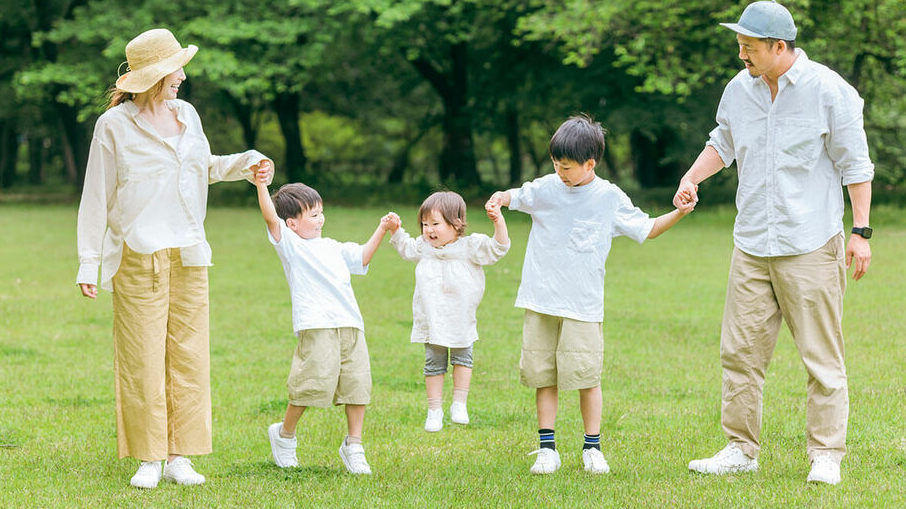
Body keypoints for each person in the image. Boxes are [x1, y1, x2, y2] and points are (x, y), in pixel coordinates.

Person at [675, 1, 874, 486]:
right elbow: (722, 141)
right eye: (739, 45)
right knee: (740, 353)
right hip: (751, 244)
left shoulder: (829, 91)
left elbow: (856, 165)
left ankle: (825, 454)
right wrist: (693, 176)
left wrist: (861, 232)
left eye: (748, 47)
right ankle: (740, 450)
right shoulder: (738, 90)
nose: (741, 54)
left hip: (810, 244)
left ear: (779, 47)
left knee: (822, 358)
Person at [76, 28, 273, 489]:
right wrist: (89, 262)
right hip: (137, 255)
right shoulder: (114, 127)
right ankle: (148, 456)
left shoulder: (187, 115)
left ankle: (179, 456)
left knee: (188, 357)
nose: (182, 76)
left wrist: (246, 162)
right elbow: (96, 196)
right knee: (143, 358)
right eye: (175, 69)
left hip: (188, 252)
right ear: (155, 76)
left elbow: (201, 168)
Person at [487, 114, 692, 475]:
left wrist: (679, 212)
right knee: (544, 375)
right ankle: (547, 447)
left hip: (583, 305)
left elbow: (647, 229)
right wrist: (499, 199)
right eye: (555, 164)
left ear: (590, 164)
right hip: (541, 299)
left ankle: (592, 447)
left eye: (566, 167)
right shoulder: (548, 188)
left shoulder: (608, 197)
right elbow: (516, 195)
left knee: (586, 376)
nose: (560, 172)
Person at [256, 177, 392, 474]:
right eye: (313, 214)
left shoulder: (333, 247)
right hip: (315, 324)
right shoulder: (290, 245)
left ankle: (353, 445)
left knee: (357, 385)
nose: (321, 219)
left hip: (350, 323)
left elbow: (363, 257)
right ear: (292, 224)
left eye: (321, 212)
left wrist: (382, 229)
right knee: (310, 384)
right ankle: (285, 436)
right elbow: (269, 215)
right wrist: (260, 184)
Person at [383, 191, 510, 432]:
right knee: (433, 362)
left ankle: (459, 404)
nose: (428, 229)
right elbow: (406, 248)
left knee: (463, 358)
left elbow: (499, 247)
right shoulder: (424, 247)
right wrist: (395, 230)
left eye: (435, 223)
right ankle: (434, 410)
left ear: (456, 224)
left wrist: (498, 221)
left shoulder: (470, 247)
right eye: (424, 224)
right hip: (432, 318)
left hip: (460, 317)